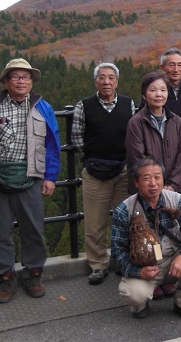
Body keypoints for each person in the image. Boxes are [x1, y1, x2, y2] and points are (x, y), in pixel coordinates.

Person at [0, 58, 61, 304]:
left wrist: (51, 176)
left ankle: (34, 275)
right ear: (5, 81)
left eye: (26, 77)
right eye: (15, 76)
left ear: (32, 81)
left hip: (32, 177)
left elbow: (52, 144)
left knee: (34, 229)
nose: (21, 81)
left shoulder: (43, 107)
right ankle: (5, 278)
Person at [111, 158, 181, 321]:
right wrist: (138, 272)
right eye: (146, 178)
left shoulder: (177, 200)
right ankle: (140, 305)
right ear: (136, 182)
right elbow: (118, 252)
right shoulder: (124, 210)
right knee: (134, 293)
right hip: (144, 265)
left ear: (163, 179)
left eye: (157, 177)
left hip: (173, 258)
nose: (153, 183)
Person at [72, 62, 135, 285]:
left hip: (123, 170)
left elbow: (133, 135)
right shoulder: (84, 105)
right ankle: (98, 265)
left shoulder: (128, 104)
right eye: (102, 77)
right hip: (95, 172)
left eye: (111, 77)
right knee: (94, 223)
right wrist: (91, 159)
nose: (106, 81)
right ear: (96, 81)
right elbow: (77, 138)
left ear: (117, 81)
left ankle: (124, 260)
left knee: (126, 220)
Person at [126, 71, 181, 194]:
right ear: (144, 95)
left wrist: (172, 185)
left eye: (163, 90)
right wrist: (157, 184)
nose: (159, 94)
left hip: (173, 191)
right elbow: (137, 157)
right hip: (146, 189)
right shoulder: (136, 123)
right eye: (153, 90)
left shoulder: (177, 122)